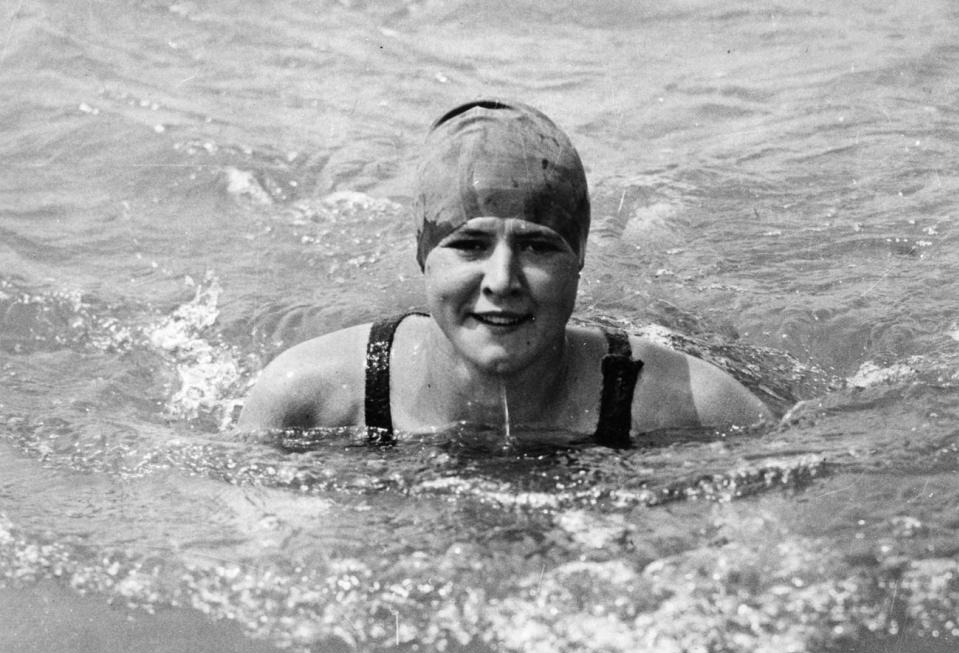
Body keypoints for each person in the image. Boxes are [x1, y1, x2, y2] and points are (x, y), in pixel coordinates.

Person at [238, 100, 772, 445]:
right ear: (423, 255)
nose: (501, 279)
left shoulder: (698, 407)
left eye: (538, 246)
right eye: (468, 245)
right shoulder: (304, 398)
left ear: (581, 256)